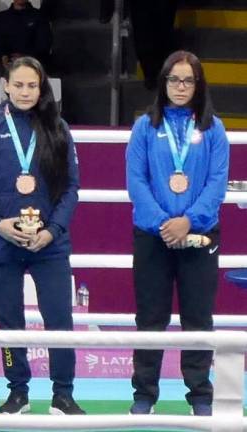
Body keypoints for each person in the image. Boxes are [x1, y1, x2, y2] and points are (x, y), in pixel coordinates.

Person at [0, 56, 85, 415]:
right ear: (5, 85)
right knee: (9, 321)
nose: (25, 91)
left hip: (49, 245)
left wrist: (52, 231)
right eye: (18, 84)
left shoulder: (58, 128)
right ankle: (18, 391)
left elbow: (71, 189)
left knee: (60, 319)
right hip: (1, 242)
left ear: (42, 87)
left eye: (32, 85)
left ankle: (63, 394)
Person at [126, 50, 228, 417]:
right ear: (163, 82)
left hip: (200, 235)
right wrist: (162, 225)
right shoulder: (144, 127)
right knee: (150, 317)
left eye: (188, 80)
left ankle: (200, 395)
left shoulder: (213, 128)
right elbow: (136, 181)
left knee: (198, 317)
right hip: (153, 236)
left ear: (199, 84)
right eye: (174, 79)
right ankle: (144, 394)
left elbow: (218, 183)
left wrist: (190, 220)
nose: (181, 87)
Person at [0, 0, 52, 112]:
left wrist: (24, 57)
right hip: (6, 63)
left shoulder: (39, 17)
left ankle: (38, 115)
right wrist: (3, 57)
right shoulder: (1, 17)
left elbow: (44, 45)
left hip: (32, 62)